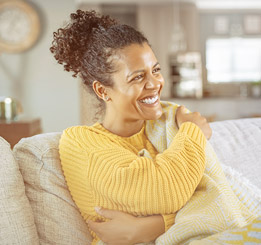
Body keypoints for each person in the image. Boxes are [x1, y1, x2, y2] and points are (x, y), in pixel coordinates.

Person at [50, 10, 212, 244]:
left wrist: (151, 226)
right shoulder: (79, 142)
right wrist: (194, 132)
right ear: (103, 91)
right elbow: (165, 190)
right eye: (138, 77)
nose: (155, 84)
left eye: (156, 70)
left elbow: (216, 194)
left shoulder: (167, 124)